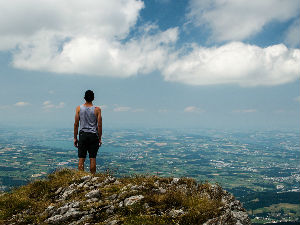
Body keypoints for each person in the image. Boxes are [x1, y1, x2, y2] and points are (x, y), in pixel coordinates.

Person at [74, 90, 102, 174]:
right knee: (92, 157)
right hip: (93, 135)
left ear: (84, 98)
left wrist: (75, 138)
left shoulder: (79, 108)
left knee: (81, 158)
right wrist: (99, 138)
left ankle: (81, 177)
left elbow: (76, 124)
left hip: (83, 135)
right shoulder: (97, 110)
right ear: (93, 98)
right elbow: (99, 125)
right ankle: (92, 178)